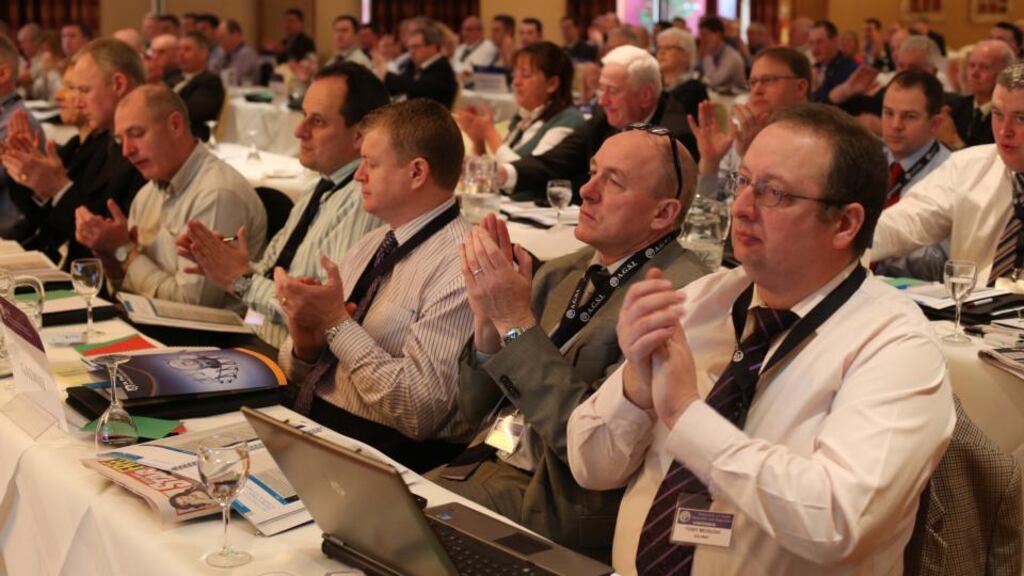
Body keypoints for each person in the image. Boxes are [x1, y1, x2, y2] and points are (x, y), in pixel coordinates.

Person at [567, 103, 954, 575]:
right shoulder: (701, 302)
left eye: (774, 193)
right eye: (743, 182)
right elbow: (590, 465)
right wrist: (635, 390)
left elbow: (838, 521)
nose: (743, 208)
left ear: (845, 224)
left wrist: (687, 415)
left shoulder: (895, 345)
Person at [429, 129, 708, 559]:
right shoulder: (562, 272)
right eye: (593, 171)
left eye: (612, 181)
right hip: (480, 462)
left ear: (663, 213)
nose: (586, 190)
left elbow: (591, 450)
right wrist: (487, 321)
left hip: (549, 503)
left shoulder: (678, 299)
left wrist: (515, 322)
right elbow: (472, 412)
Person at [275, 99, 473, 471]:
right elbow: (300, 375)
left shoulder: (461, 265)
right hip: (312, 430)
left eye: (371, 163)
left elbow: (419, 411)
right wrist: (306, 342)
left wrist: (336, 323)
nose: (357, 176)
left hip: (381, 461)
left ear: (416, 173)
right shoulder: (374, 243)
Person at [180, 63, 388, 347]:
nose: (298, 131)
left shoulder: (363, 199)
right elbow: (275, 275)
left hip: (289, 363)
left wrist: (239, 280)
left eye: (317, 121)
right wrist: (220, 262)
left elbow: (324, 312)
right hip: (254, 335)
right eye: (303, 116)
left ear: (359, 136)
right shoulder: (319, 187)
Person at [74, 85, 266, 307]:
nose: (126, 151)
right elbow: (128, 294)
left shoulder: (216, 194)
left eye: (136, 134)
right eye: (120, 140)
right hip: (154, 328)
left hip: (214, 338)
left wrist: (125, 252)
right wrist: (111, 259)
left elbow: (194, 308)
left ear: (175, 125)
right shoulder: (147, 194)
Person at [872, 61, 1024, 287]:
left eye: (1021, 118)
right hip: (968, 315)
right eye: (997, 114)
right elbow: (905, 222)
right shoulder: (968, 166)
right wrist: (843, 242)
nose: (1004, 130)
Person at [2, 38, 146, 266]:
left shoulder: (143, 152)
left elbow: (102, 236)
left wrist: (58, 188)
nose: (77, 102)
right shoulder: (103, 143)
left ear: (118, 84)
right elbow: (49, 221)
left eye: (84, 90)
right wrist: (29, 178)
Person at [499, 45, 698, 201]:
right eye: (601, 90)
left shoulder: (672, 137)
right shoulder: (603, 118)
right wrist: (502, 173)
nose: (602, 101)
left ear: (645, 95)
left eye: (612, 91)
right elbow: (556, 160)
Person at [691, 47, 810, 199]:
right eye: (753, 83)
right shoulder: (742, 130)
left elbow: (774, 209)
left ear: (800, 88)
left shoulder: (814, 141)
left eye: (767, 80)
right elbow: (710, 205)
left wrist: (749, 155)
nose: (757, 90)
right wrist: (710, 162)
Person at [873, 70, 951, 281]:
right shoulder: (868, 160)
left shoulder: (951, 173)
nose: (896, 125)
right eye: (888, 113)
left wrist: (869, 245)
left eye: (909, 116)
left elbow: (938, 263)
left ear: (935, 123)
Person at [457, 42, 583, 165]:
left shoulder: (568, 120)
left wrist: (490, 133)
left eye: (525, 74)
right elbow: (496, 173)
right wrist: (479, 140)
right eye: (515, 74)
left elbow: (530, 174)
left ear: (552, 84)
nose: (516, 82)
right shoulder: (524, 118)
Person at [942, 40, 1015, 151]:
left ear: (1005, 73)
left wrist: (953, 140)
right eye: (972, 65)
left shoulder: (1009, 117)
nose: (974, 73)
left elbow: (988, 164)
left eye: (984, 67)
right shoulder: (955, 108)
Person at [381, 23, 457, 110]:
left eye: (416, 47)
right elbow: (403, 83)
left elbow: (418, 87)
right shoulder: (418, 65)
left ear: (433, 47)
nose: (411, 52)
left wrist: (385, 75)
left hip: (432, 118)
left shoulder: (442, 67)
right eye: (410, 47)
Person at [171, 32, 225, 142]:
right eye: (178, 49)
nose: (181, 54)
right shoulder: (172, 76)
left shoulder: (210, 81)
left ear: (203, 54)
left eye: (187, 49)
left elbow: (192, 111)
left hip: (192, 136)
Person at [655, 27, 707, 120]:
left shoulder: (694, 90)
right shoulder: (656, 85)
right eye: (659, 47)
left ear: (686, 56)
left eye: (669, 48)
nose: (661, 52)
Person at [810, 20, 858, 102]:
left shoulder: (850, 69)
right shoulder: (814, 68)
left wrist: (815, 89)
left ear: (835, 41)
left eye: (819, 42)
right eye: (811, 43)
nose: (814, 49)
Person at [695, 16, 745, 93]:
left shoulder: (731, 56)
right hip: (717, 98)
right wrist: (700, 56)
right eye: (701, 35)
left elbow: (714, 81)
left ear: (718, 35)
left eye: (705, 34)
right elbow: (694, 72)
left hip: (734, 99)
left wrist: (706, 56)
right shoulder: (712, 52)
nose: (702, 39)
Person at [208, 20, 260, 87]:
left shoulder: (247, 54)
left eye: (222, 37)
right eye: (218, 38)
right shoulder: (223, 52)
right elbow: (211, 71)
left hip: (244, 93)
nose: (219, 42)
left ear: (236, 35)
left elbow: (232, 79)